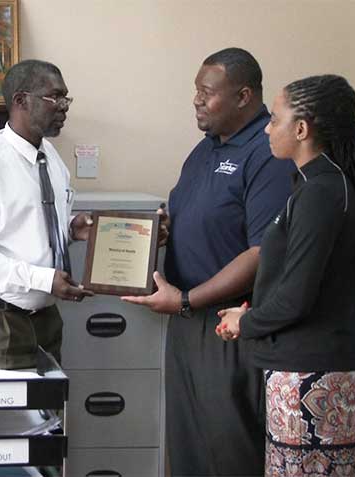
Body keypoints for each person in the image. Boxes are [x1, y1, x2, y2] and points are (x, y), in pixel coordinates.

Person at [122, 48, 294, 476]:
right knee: (186, 443)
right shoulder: (205, 150)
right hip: (185, 321)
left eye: (207, 92)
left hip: (228, 324)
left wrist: (187, 299)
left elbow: (261, 251)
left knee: (226, 446)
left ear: (243, 96)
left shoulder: (266, 153)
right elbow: (194, 215)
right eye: (196, 91)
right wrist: (165, 230)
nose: (197, 100)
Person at [216, 75, 355, 477]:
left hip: (310, 371)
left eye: (275, 119)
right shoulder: (313, 184)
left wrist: (246, 321)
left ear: (302, 129)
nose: (268, 129)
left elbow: (297, 297)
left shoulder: (323, 191)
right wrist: (253, 309)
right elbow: (299, 279)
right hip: (302, 365)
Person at [0, 59, 94, 372]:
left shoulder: (51, 158)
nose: (64, 107)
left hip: (45, 321)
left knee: (47, 416)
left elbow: (28, 227)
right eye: (55, 98)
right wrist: (44, 279)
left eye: (66, 98)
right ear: (20, 100)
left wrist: (71, 227)